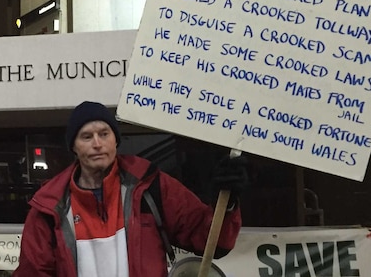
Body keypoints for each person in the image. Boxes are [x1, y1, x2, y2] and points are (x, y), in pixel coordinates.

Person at [14, 101, 248, 277]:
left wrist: (226, 203)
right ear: (73, 146)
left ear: (115, 140)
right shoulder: (49, 207)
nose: (97, 143)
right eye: (86, 136)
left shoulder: (150, 186)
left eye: (104, 134)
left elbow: (213, 241)